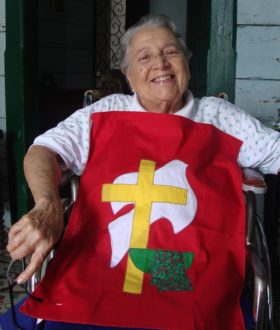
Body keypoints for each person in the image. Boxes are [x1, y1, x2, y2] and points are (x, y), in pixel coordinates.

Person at [4, 14, 280, 330]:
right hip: (103, 261)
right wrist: (48, 205)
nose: (160, 64)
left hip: (192, 266)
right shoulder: (103, 114)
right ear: (129, 75)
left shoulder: (219, 117)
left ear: (186, 62)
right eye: (145, 57)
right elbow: (43, 152)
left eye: (170, 52)